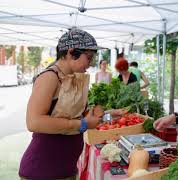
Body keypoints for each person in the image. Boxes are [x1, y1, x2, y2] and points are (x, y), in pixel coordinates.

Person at [19, 28, 125, 180]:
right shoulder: (50, 77)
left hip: (65, 170)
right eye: (88, 57)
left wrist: (107, 114)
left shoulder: (73, 78)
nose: (90, 63)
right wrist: (80, 124)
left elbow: (79, 115)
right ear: (71, 52)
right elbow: (34, 122)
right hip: (42, 171)